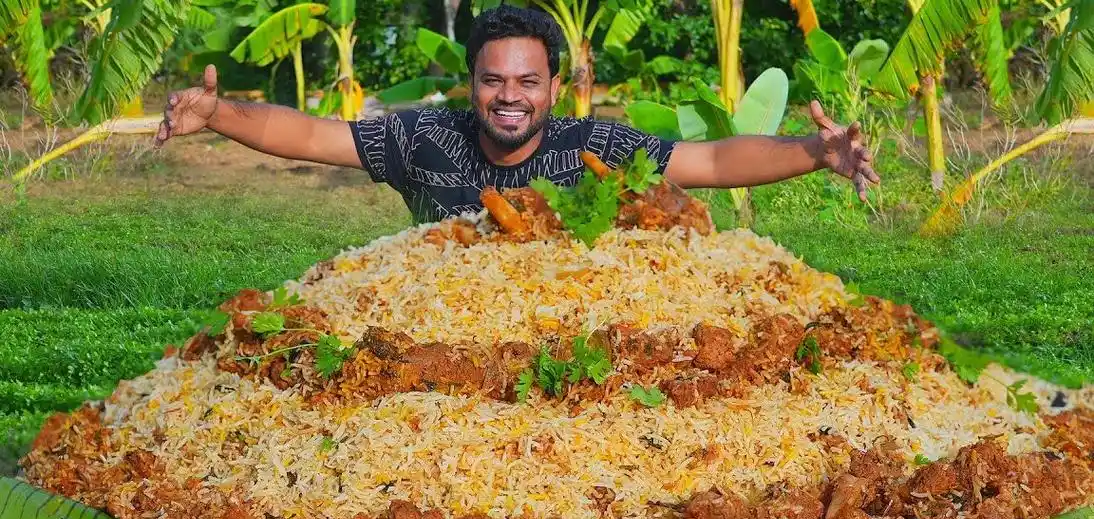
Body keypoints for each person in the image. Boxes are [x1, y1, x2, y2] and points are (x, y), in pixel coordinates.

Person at [154, 5, 879, 222]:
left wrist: (817, 153)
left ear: (553, 88)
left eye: (527, 81)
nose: (510, 96)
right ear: (471, 85)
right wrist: (219, 115)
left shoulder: (592, 143)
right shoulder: (422, 138)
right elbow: (311, 134)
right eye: (493, 80)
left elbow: (715, 162)